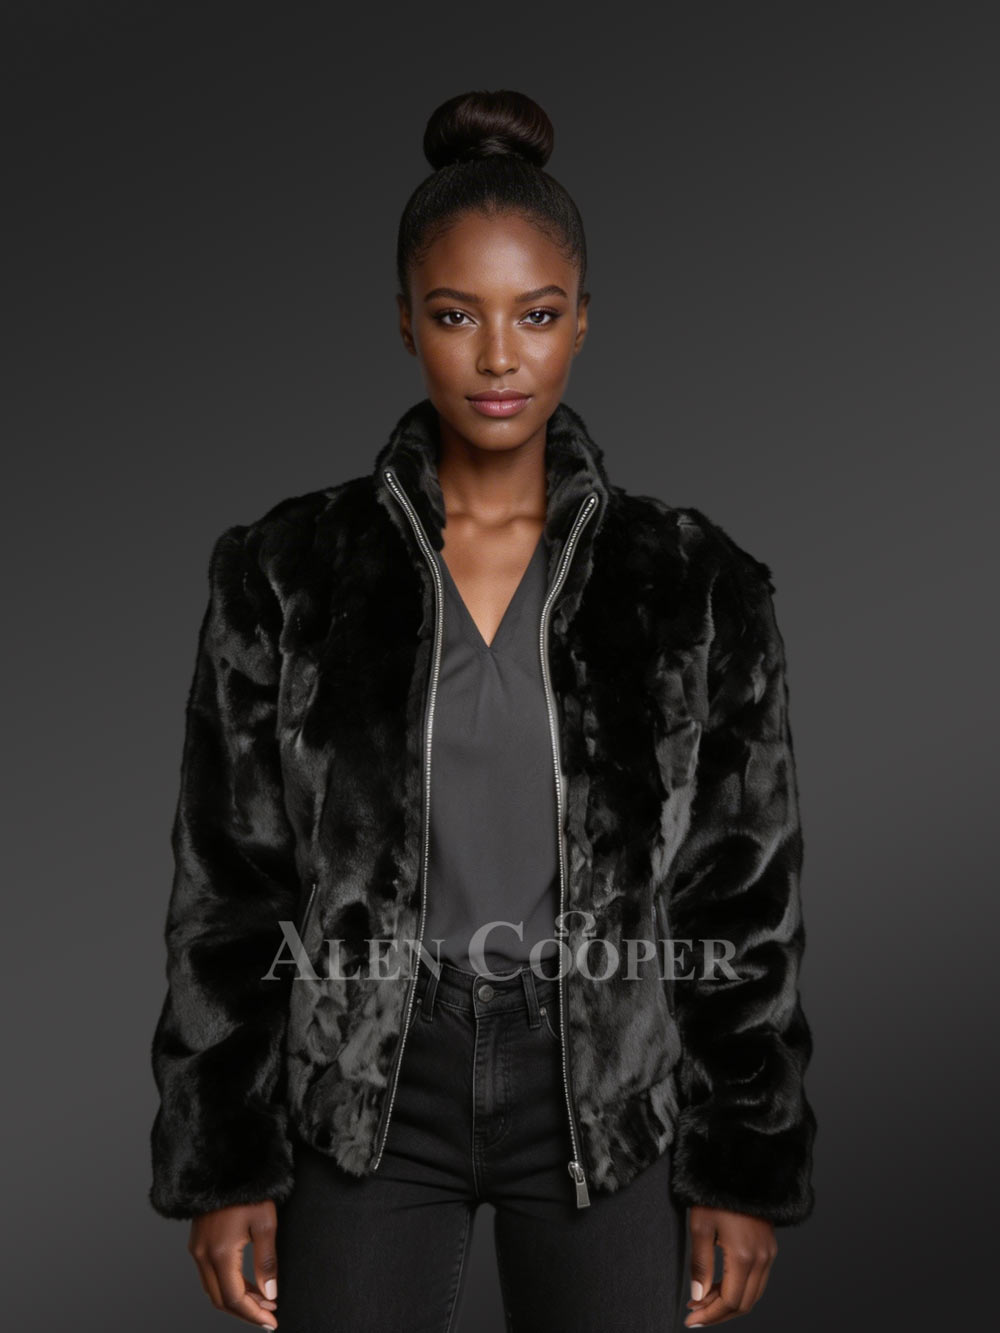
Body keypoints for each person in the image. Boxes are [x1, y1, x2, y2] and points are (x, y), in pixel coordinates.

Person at [148, 88, 817, 1332]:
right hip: (367, 1088)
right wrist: (224, 1159)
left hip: (604, 1088)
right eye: (457, 314)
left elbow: (742, 893)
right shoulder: (288, 571)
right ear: (406, 320)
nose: (499, 357)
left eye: (536, 314)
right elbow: (229, 885)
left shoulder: (692, 584)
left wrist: (741, 1163)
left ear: (581, 322)